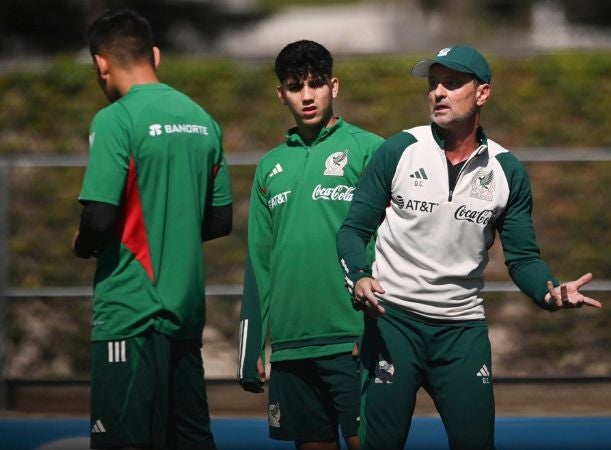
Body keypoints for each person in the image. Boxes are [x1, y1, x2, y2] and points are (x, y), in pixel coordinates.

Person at [336, 45, 603, 450]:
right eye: (433, 84)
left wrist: (549, 292)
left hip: (461, 332)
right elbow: (352, 231)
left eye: (453, 83)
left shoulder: (506, 170)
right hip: (394, 323)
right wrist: (359, 276)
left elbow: (523, 258)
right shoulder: (399, 150)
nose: (438, 92)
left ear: (483, 94)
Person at [71, 9, 233, 450]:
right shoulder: (202, 119)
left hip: (129, 312)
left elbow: (100, 217)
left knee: (122, 439)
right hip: (184, 313)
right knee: (188, 439)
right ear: (156, 56)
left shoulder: (115, 120)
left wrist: (82, 245)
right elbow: (220, 219)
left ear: (101, 64)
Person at [237, 40, 383, 450]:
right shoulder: (269, 166)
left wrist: (374, 327)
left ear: (333, 86)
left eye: (316, 84)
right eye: (295, 86)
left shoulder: (368, 149)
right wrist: (251, 348)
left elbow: (391, 243)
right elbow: (259, 261)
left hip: (351, 338)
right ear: (280, 93)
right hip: (289, 347)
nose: (306, 95)